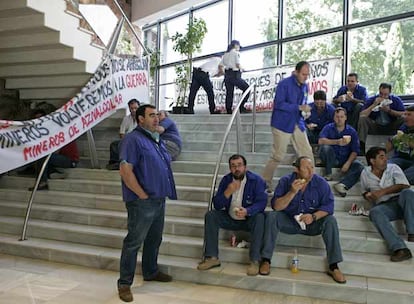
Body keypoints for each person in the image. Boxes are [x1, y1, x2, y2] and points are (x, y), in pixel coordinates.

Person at [117, 104, 177, 303]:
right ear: (140, 118)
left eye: (157, 115)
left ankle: (151, 271)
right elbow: (126, 171)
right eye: (151, 115)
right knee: (134, 242)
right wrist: (142, 195)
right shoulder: (132, 140)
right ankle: (125, 284)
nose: (156, 118)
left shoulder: (155, 140)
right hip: (142, 202)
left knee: (154, 239)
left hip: (159, 199)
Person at [259, 156, 346, 284]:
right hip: (290, 221)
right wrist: (292, 192)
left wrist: (314, 216)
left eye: (312, 168)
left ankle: (334, 266)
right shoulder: (286, 181)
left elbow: (329, 207)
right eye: (306, 168)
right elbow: (276, 206)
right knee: (272, 216)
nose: (311, 172)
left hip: (312, 223)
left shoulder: (321, 183)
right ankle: (266, 259)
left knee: (331, 221)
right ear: (297, 170)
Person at [197, 154, 267, 276]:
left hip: (248, 219)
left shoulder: (257, 180)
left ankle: (255, 260)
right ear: (230, 168)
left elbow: (262, 203)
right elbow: (217, 205)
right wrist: (227, 192)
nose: (237, 169)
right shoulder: (226, 180)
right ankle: (212, 257)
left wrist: (247, 211)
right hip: (230, 217)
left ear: (245, 167)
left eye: (239, 165)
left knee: (260, 218)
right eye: (233, 166)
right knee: (211, 215)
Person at [262, 61, 314, 191]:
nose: (305, 77)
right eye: (303, 74)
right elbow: (279, 104)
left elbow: (303, 104)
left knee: (307, 153)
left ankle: (310, 183)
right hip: (282, 123)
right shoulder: (284, 84)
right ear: (296, 72)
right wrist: (298, 107)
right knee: (278, 155)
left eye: (307, 75)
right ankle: (264, 182)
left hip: (298, 123)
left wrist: (305, 112)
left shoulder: (305, 87)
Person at [361, 146, 414, 262]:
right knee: (375, 212)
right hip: (387, 206)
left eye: (385, 157)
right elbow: (364, 191)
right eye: (381, 157)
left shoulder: (393, 167)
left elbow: (405, 185)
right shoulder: (365, 173)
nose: (385, 159)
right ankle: (400, 249)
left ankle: (412, 232)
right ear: (372, 161)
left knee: (407, 193)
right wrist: (368, 196)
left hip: (403, 202)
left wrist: (382, 191)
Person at [318, 107, 364, 197]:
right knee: (325, 148)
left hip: (345, 159)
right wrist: (337, 142)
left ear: (345, 117)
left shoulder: (351, 131)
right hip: (331, 159)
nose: (339, 119)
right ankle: (328, 173)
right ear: (334, 118)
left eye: (341, 117)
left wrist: (348, 163)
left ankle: (343, 184)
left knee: (359, 166)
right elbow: (321, 141)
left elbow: (355, 150)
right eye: (337, 117)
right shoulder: (328, 127)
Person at [358, 83, 405, 155]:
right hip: (375, 126)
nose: (383, 96)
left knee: (404, 119)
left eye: (385, 94)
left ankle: (402, 146)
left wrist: (389, 111)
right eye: (381, 94)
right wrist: (374, 105)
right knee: (363, 119)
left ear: (389, 93)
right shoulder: (372, 99)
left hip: (391, 126)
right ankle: (362, 146)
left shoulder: (396, 100)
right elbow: (362, 114)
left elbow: (404, 114)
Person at [106, 99, 140, 170]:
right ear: (129, 108)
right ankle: (115, 163)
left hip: (138, 140)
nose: (133, 110)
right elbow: (122, 133)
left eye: (135, 108)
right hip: (128, 139)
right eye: (131, 108)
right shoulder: (126, 119)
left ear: (139, 108)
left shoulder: (142, 118)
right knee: (114, 144)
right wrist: (125, 140)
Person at [219, 40, 250, 114]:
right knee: (247, 88)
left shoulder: (225, 54)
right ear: (235, 45)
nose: (239, 48)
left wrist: (225, 74)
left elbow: (220, 66)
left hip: (227, 75)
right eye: (239, 46)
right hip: (235, 74)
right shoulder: (236, 53)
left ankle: (229, 110)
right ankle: (241, 107)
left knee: (229, 93)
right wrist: (243, 69)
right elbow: (237, 65)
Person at [386, 105, 414, 184]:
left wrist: (403, 137)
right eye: (405, 114)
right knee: (386, 167)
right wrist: (391, 141)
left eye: (409, 115)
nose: (405, 117)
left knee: (407, 176)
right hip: (399, 158)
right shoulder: (404, 127)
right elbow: (393, 143)